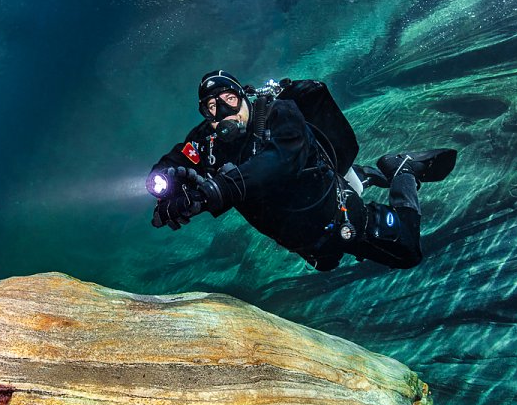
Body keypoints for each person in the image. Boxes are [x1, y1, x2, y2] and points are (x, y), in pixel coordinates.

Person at [146, 71, 457, 273]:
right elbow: (175, 162)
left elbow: (280, 162)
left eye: (229, 99)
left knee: (408, 252)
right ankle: (361, 175)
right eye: (212, 107)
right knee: (329, 262)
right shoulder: (208, 141)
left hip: (339, 216)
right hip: (307, 241)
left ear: (244, 97)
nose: (223, 111)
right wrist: (168, 189)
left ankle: (403, 169)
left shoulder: (279, 114)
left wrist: (217, 190)